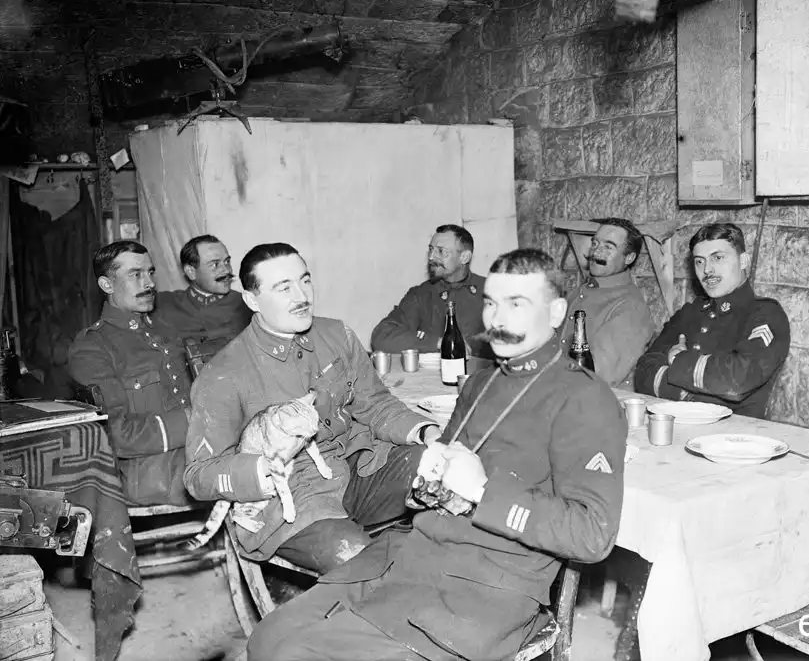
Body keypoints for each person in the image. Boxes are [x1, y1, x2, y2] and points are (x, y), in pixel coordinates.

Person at [247, 248, 628, 661]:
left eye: (517, 304)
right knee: (268, 640)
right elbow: (442, 484)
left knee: (295, 655)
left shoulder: (585, 399)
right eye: (491, 303)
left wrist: (483, 490)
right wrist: (428, 480)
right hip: (410, 556)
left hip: (481, 589)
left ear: (556, 313)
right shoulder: (480, 383)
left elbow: (593, 535)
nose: (498, 319)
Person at [183, 243, 441, 573]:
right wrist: (263, 469)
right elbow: (199, 476)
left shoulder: (336, 335)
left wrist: (427, 432)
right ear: (252, 300)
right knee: (364, 566)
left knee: (446, 470)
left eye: (304, 280)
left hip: (361, 469)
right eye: (284, 288)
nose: (302, 295)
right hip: (295, 500)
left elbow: (376, 403)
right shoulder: (224, 374)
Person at [68, 241, 192, 506]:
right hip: (152, 476)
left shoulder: (165, 331)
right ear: (107, 285)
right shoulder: (92, 347)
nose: (149, 283)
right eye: (135, 274)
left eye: (150, 272)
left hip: (197, 456)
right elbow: (116, 434)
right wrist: (196, 420)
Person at [634, 223, 790, 419]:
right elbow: (643, 371)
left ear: (743, 261)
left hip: (735, 433)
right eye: (699, 261)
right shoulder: (690, 313)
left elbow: (737, 380)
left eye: (718, 258)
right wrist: (687, 394)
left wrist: (677, 360)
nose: (707, 269)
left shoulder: (765, 314)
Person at [371, 224, 491, 358]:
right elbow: (382, 336)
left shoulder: (490, 290)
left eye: (441, 251)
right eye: (431, 249)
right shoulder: (422, 294)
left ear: (464, 257)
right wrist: (437, 343)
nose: (431, 257)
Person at [561, 217, 656, 388]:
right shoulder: (579, 292)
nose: (596, 252)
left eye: (608, 247)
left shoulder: (630, 309)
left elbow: (595, 376)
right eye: (595, 243)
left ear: (629, 258)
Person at [154, 234, 252, 348]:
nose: (226, 271)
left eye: (227, 261)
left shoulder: (247, 305)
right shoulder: (164, 303)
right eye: (215, 264)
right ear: (191, 272)